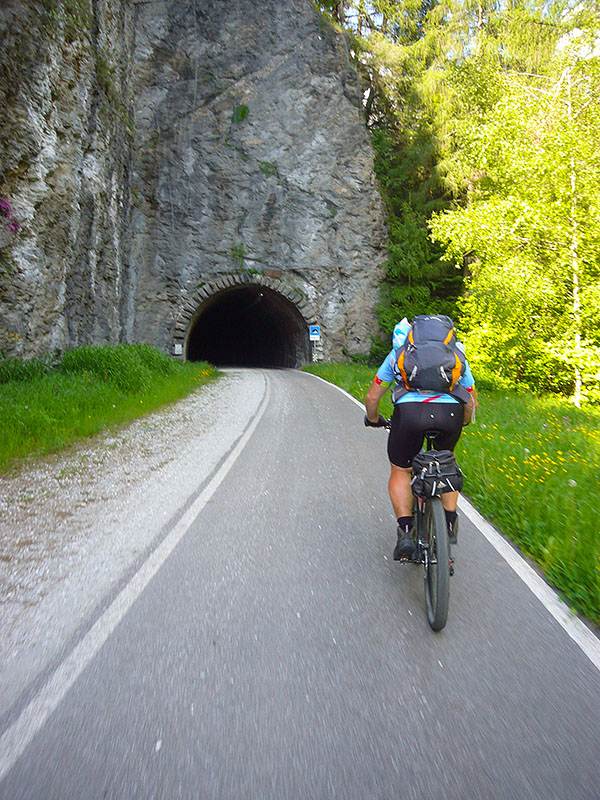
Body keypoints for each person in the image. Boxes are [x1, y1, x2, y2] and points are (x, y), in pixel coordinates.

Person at [364, 317, 478, 560]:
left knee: (401, 470)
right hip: (450, 414)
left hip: (409, 415)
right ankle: (448, 523)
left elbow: (373, 398)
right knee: (447, 463)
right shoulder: (456, 355)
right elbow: (470, 401)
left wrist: (373, 419)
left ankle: (406, 531)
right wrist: (464, 421)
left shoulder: (398, 356)